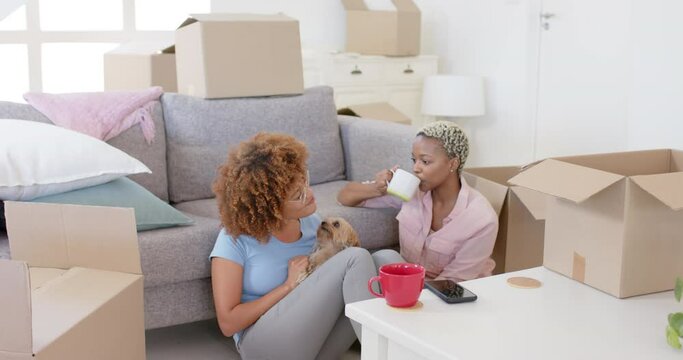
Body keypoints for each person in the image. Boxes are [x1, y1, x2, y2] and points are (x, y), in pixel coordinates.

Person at [210, 132, 377, 360]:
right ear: (272, 208)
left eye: (305, 182)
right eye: (298, 195)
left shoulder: (313, 223)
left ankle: (402, 349)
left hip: (309, 342)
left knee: (385, 259)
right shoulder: (233, 240)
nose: (310, 194)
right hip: (263, 344)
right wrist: (287, 286)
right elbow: (228, 324)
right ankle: (381, 353)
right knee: (356, 257)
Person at [337, 121, 498, 282]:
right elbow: (345, 196)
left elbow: (454, 281)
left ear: (453, 163)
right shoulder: (411, 189)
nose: (416, 168)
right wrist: (377, 188)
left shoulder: (482, 219)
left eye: (425, 161)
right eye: (414, 160)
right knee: (384, 257)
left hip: (455, 294)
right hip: (412, 283)